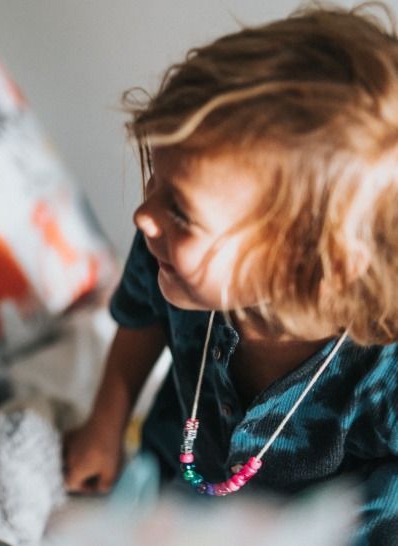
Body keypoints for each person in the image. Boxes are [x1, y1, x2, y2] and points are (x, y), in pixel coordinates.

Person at [62, 4, 398, 544]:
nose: (143, 216)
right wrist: (105, 421)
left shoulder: (381, 380)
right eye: (155, 180)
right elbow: (142, 317)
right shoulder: (167, 256)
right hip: (171, 479)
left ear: (307, 264)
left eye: (181, 211)